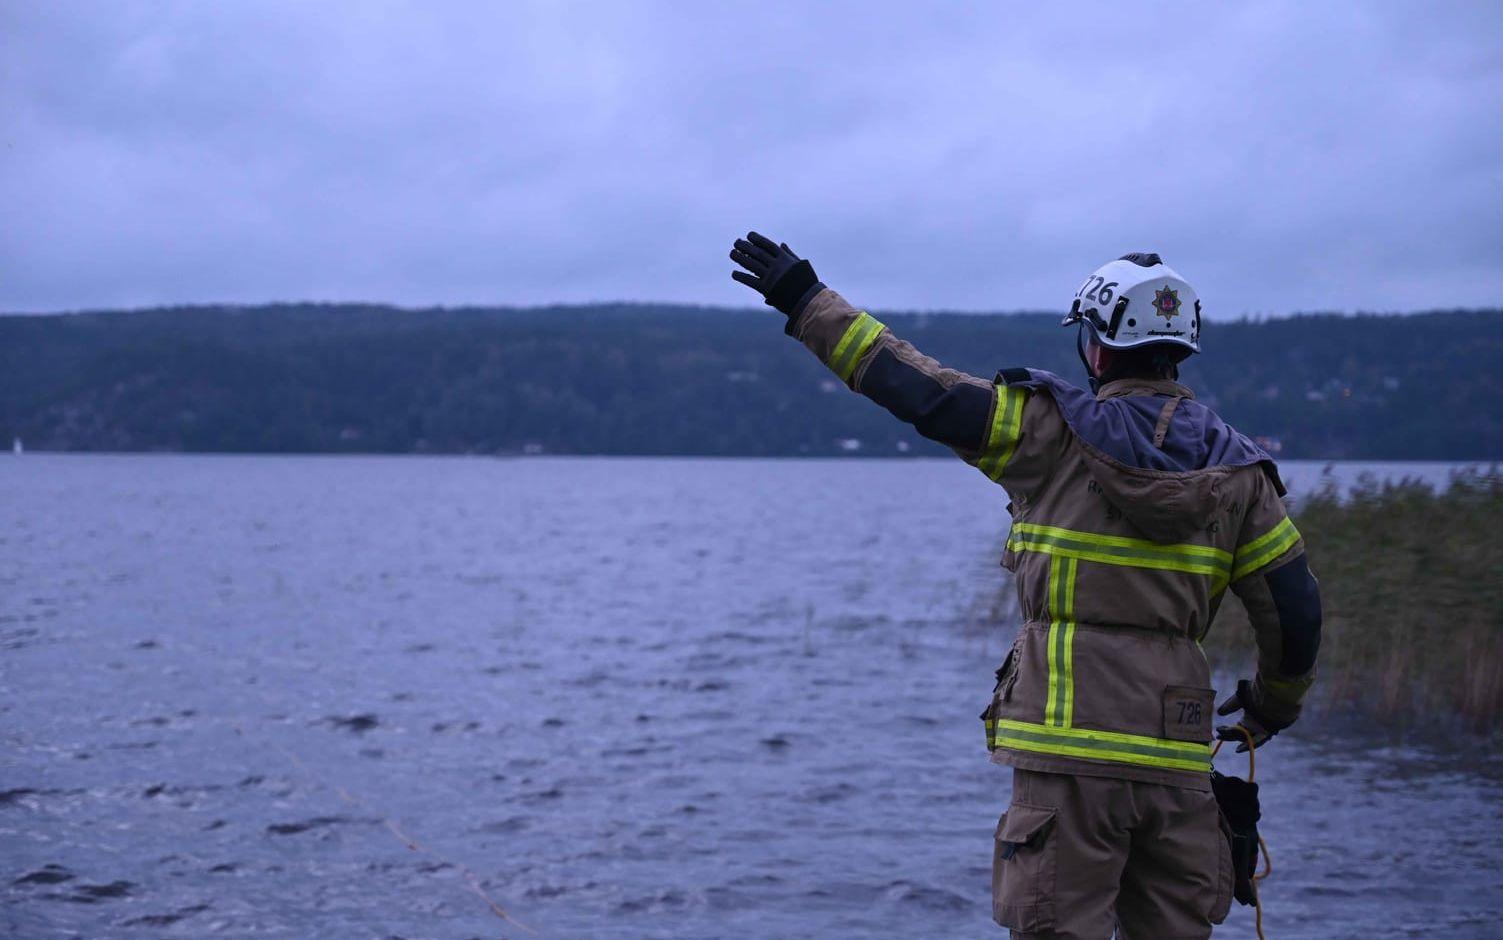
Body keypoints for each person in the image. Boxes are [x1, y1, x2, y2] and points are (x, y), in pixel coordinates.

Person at [729, 233, 1323, 939]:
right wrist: (1269, 707)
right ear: (1180, 348)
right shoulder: (1242, 477)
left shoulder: (1046, 431)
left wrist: (805, 299)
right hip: (1176, 761)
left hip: (1063, 760)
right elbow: (1294, 613)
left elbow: (915, 387)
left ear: (1095, 349)